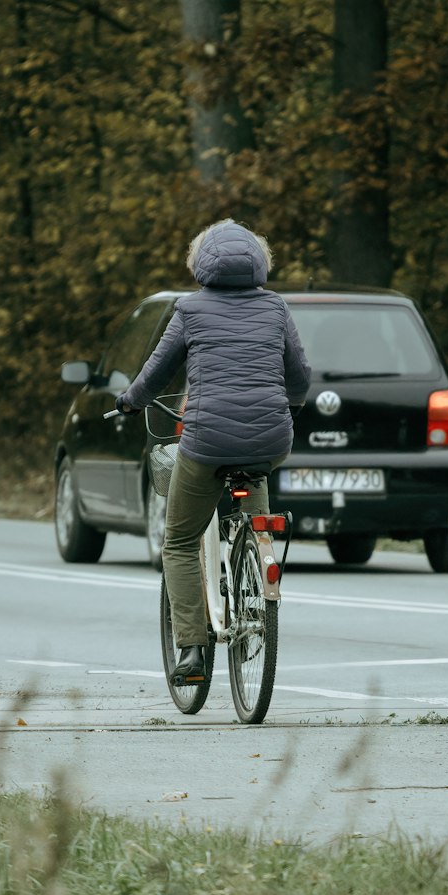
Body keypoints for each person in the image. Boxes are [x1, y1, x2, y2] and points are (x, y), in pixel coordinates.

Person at [115, 219, 311, 684]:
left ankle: (192, 653)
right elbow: (300, 377)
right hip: (270, 440)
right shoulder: (276, 308)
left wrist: (128, 401)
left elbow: (155, 373)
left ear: (199, 263)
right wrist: (288, 409)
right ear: (261, 262)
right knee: (255, 517)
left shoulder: (189, 310)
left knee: (179, 541)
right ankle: (256, 567)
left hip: (207, 442)